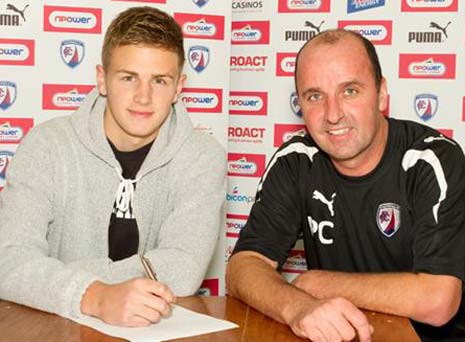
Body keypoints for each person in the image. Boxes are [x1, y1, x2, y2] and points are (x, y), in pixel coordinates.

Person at [227, 29, 465, 341]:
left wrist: (318, 284)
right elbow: (243, 267)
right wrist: (296, 306)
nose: (333, 114)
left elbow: (438, 301)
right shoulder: (296, 160)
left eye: (349, 91)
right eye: (315, 96)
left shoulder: (431, 159)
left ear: (381, 94)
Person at [0, 6, 226, 327]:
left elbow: (183, 269)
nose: (143, 97)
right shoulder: (46, 145)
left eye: (159, 80)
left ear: (179, 88)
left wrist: (54, 277)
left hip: (154, 328)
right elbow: (9, 259)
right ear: (102, 80)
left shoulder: (203, 156)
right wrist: (96, 296)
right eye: (128, 77)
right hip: (56, 327)